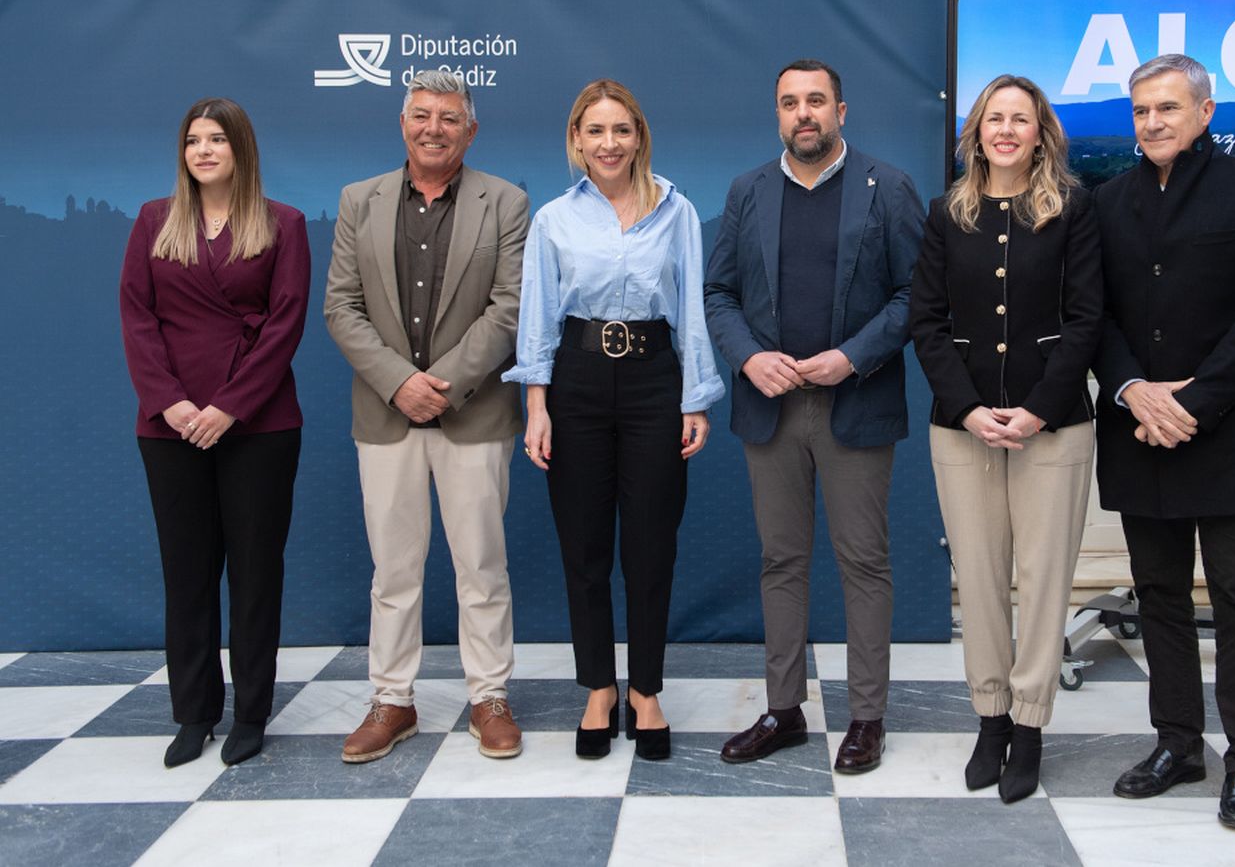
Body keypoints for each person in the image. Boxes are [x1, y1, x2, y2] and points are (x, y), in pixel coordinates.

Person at [1093, 54, 1235, 830]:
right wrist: (1133, 389)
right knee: (1159, 595)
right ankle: (1177, 744)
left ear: (1205, 112)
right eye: (1141, 110)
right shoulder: (1104, 201)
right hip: (1138, 429)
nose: (1152, 122)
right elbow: (1092, 314)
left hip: (1230, 433)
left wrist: (1192, 401)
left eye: (1168, 108)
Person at [705, 58, 923, 774]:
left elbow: (915, 295)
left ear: (841, 111)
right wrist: (747, 358)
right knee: (781, 560)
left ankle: (867, 717)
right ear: (778, 114)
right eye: (790, 102)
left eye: (817, 101)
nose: (804, 113)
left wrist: (852, 357)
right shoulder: (747, 191)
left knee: (863, 561)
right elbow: (718, 295)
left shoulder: (888, 186)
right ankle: (784, 709)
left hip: (854, 403)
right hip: (770, 407)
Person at [503, 79, 724, 762]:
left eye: (621, 130)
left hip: (656, 379)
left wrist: (695, 396)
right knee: (585, 545)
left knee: (652, 545)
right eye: (595, 131)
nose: (609, 143)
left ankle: (646, 691)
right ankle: (599, 687)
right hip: (577, 381)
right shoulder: (553, 219)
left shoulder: (676, 210)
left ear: (639, 136)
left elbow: (691, 308)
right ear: (576, 140)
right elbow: (538, 316)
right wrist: (536, 406)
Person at [325, 68, 530, 763]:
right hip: (387, 417)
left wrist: (442, 385)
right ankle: (392, 699)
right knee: (394, 572)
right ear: (402, 123)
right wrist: (399, 384)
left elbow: (510, 306)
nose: (433, 128)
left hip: (473, 414)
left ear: (470, 130)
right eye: (421, 115)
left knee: (482, 565)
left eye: (448, 118)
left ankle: (489, 696)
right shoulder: (360, 200)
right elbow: (341, 307)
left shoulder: (505, 202)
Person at [909, 74, 1101, 803]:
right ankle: (991, 719)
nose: (1007, 130)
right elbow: (926, 321)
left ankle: (1031, 723)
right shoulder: (946, 213)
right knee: (981, 577)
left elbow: (1087, 318)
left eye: (1021, 119)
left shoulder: (1072, 209)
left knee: (1043, 580)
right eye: (995, 118)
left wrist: (1038, 408)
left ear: (1040, 133)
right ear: (976, 132)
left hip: (1053, 427)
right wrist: (967, 408)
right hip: (963, 430)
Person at [119, 98, 311, 769]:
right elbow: (137, 317)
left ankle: (251, 712)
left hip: (260, 423)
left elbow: (286, 323)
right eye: (193, 140)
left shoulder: (284, 223)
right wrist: (170, 403)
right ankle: (194, 712)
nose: (203, 150)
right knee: (187, 574)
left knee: (255, 573)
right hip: (169, 426)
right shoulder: (154, 220)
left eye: (217, 139)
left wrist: (229, 406)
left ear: (241, 149)